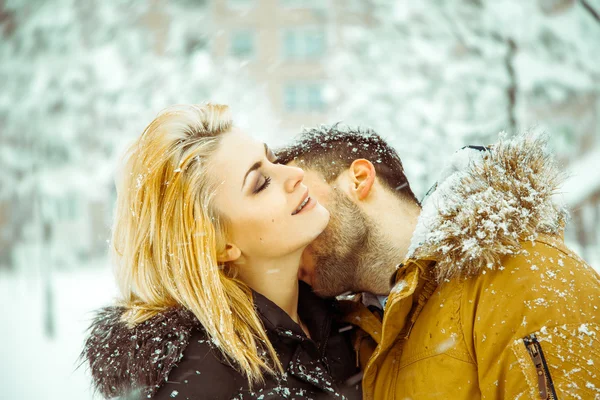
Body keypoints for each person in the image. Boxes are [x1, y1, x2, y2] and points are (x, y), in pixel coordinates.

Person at [277, 125, 600, 399]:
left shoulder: (528, 274)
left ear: (359, 179)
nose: (289, 230)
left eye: (300, 202)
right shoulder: (355, 335)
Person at [80, 105, 361, 399]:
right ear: (217, 244)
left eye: (272, 158)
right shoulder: (203, 383)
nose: (295, 173)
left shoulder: (338, 318)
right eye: (261, 183)